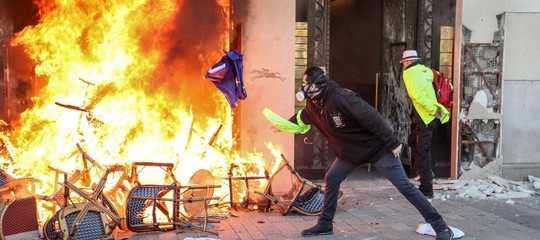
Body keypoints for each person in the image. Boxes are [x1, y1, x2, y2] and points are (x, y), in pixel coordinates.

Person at [277, 66, 453, 239]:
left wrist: (392, 142)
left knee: (405, 187)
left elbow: (372, 117)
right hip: (350, 153)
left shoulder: (341, 98)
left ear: (315, 86)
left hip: (377, 149)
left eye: (305, 83)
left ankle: (440, 226)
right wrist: (283, 125)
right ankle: (325, 224)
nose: (302, 87)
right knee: (332, 178)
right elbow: (302, 117)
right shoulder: (314, 103)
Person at [400, 50, 449, 199]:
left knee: (422, 152)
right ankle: (420, 173)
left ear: (407, 62)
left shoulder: (410, 73)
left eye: (403, 63)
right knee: (413, 143)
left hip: (426, 118)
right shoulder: (426, 70)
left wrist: (433, 110)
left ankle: (426, 189)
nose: (403, 65)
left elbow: (417, 96)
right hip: (429, 117)